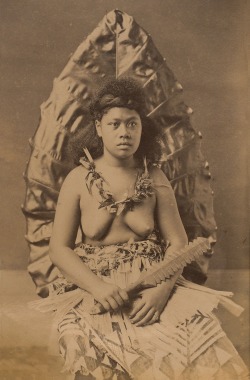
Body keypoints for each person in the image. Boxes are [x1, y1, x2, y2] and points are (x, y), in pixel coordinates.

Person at [44, 77, 248, 380]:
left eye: (132, 124)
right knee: (81, 344)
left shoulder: (154, 177)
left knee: (205, 345)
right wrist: (98, 287)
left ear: (142, 129)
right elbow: (58, 249)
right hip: (95, 291)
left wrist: (161, 291)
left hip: (154, 287)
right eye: (114, 124)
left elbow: (178, 243)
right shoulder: (77, 179)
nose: (124, 133)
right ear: (98, 127)